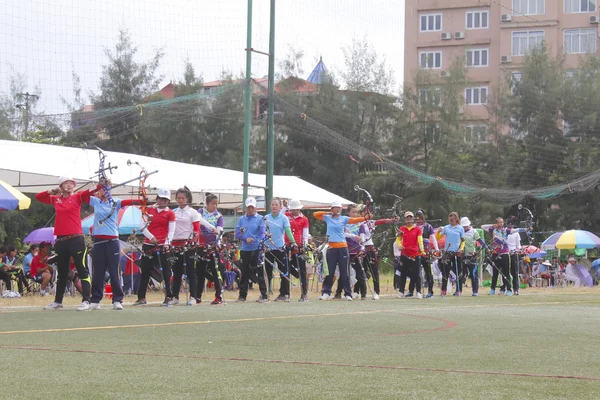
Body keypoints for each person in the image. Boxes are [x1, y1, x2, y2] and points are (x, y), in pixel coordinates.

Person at [35, 176, 96, 310]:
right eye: (66, 183)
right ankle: (58, 301)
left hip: (76, 239)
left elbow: (90, 191)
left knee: (82, 269)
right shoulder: (56, 199)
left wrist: (101, 184)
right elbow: (39, 197)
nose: (70, 186)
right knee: (62, 272)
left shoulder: (77, 197)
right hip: (61, 241)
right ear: (61, 186)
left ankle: (87, 300)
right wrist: (53, 190)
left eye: (71, 184)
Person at [88, 179, 139, 310]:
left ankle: (117, 300)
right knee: (98, 271)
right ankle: (95, 299)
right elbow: (83, 196)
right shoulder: (95, 201)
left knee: (114, 271)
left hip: (112, 242)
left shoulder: (115, 202)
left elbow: (130, 202)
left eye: (106, 188)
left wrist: (141, 197)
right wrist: (96, 189)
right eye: (102, 187)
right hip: (99, 241)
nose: (104, 190)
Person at [170, 187, 218, 306]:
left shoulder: (192, 212)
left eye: (183, 198)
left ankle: (193, 297)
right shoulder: (173, 212)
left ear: (187, 199)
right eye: (178, 198)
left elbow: (197, 228)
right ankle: (174, 296)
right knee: (176, 272)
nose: (180, 200)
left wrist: (211, 229)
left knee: (191, 272)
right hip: (175, 244)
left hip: (189, 245)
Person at [315, 200, 369, 301]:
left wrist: (366, 218)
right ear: (332, 209)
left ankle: (348, 293)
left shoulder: (343, 219)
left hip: (343, 248)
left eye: (339, 208)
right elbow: (316, 214)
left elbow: (355, 220)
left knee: (345, 271)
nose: (338, 209)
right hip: (331, 248)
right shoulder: (328, 218)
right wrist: (328, 213)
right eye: (336, 207)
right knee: (330, 272)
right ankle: (326, 292)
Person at [134, 188, 176, 306]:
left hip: (163, 245)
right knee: (145, 271)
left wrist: (167, 243)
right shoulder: (149, 210)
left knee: (166, 271)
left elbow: (171, 230)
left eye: (165, 200)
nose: (163, 202)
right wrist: (151, 237)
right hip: (149, 244)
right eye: (161, 199)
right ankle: (141, 297)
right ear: (157, 198)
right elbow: (142, 226)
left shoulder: (170, 213)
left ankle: (169, 296)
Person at [481, 217, 527, 296]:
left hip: (505, 253)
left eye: (502, 222)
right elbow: (482, 227)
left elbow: (515, 230)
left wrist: (526, 229)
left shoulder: (506, 231)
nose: (501, 224)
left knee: (506, 272)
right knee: (495, 272)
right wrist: (492, 226)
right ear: (496, 223)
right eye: (499, 222)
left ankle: (509, 289)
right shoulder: (493, 230)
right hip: (496, 253)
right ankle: (492, 289)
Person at [359, 206, 396, 300]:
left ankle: (376, 292)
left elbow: (382, 221)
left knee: (374, 271)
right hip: (358, 249)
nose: (367, 214)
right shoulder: (355, 223)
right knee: (360, 271)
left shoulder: (371, 223)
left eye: (368, 212)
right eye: (364, 212)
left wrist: (392, 220)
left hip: (369, 248)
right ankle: (357, 291)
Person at [235, 197, 267, 302]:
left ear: (255, 207)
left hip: (256, 248)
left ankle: (264, 295)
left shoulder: (260, 218)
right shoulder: (241, 219)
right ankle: (242, 296)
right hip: (245, 249)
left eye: (252, 207)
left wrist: (259, 240)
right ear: (246, 208)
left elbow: (262, 232)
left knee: (259, 272)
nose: (251, 209)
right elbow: (238, 233)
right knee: (244, 272)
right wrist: (245, 238)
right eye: (249, 207)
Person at [265, 198, 297, 302]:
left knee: (284, 272)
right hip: (268, 249)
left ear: (280, 207)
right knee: (268, 272)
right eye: (272, 204)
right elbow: (262, 231)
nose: (274, 206)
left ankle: (284, 294)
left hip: (280, 249)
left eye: (276, 205)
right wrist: (265, 234)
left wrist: (293, 242)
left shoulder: (284, 218)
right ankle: (265, 293)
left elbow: (287, 231)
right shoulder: (266, 218)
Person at [196, 193, 225, 305]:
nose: (215, 206)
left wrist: (218, 243)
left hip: (213, 247)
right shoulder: (200, 212)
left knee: (216, 270)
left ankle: (219, 296)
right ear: (207, 204)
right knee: (200, 271)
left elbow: (220, 231)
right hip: (201, 246)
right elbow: (199, 220)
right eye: (213, 203)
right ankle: (197, 296)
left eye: (216, 204)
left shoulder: (219, 216)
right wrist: (212, 228)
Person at [409, 209, 438, 298]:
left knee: (428, 271)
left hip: (426, 251)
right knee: (415, 271)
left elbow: (433, 238)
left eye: (420, 218)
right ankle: (412, 290)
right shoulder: (414, 227)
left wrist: (436, 249)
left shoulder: (428, 227)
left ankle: (430, 290)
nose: (419, 220)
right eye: (417, 218)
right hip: (416, 251)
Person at [285, 199, 310, 302]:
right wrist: (284, 206)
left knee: (302, 270)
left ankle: (304, 294)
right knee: (286, 267)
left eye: (296, 209)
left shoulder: (304, 219)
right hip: (286, 245)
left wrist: (304, 245)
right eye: (292, 209)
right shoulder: (286, 215)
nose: (294, 211)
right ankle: (286, 293)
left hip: (298, 246)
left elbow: (305, 234)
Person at [436, 212, 465, 296]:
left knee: (458, 271)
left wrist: (461, 249)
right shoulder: (446, 228)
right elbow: (438, 238)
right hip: (447, 252)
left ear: (456, 219)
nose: (451, 220)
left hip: (457, 252)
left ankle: (459, 290)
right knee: (445, 271)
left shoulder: (460, 228)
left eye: (453, 219)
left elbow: (463, 240)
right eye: (450, 219)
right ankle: (444, 290)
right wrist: (438, 232)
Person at [396, 211, 424, 299]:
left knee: (416, 274)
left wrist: (422, 250)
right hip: (404, 254)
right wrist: (400, 245)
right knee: (403, 273)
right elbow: (398, 239)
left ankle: (418, 291)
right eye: (407, 218)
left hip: (415, 254)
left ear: (413, 219)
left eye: (410, 218)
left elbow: (420, 241)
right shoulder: (402, 229)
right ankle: (401, 291)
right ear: (405, 219)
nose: (409, 220)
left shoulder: (417, 229)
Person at [461, 217, 487, 296]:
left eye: (466, 226)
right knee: (462, 274)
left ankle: (475, 291)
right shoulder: (460, 231)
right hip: (462, 255)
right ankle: (459, 290)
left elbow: (480, 241)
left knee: (473, 274)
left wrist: (486, 248)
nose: (465, 227)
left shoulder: (474, 232)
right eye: (463, 226)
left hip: (471, 255)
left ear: (469, 224)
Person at [505, 216, 522, 295]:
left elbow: (518, 246)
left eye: (511, 225)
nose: (509, 226)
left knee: (514, 272)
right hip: (505, 253)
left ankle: (516, 289)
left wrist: (516, 250)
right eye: (508, 225)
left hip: (513, 254)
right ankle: (506, 288)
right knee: (505, 272)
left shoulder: (516, 233)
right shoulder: (504, 231)